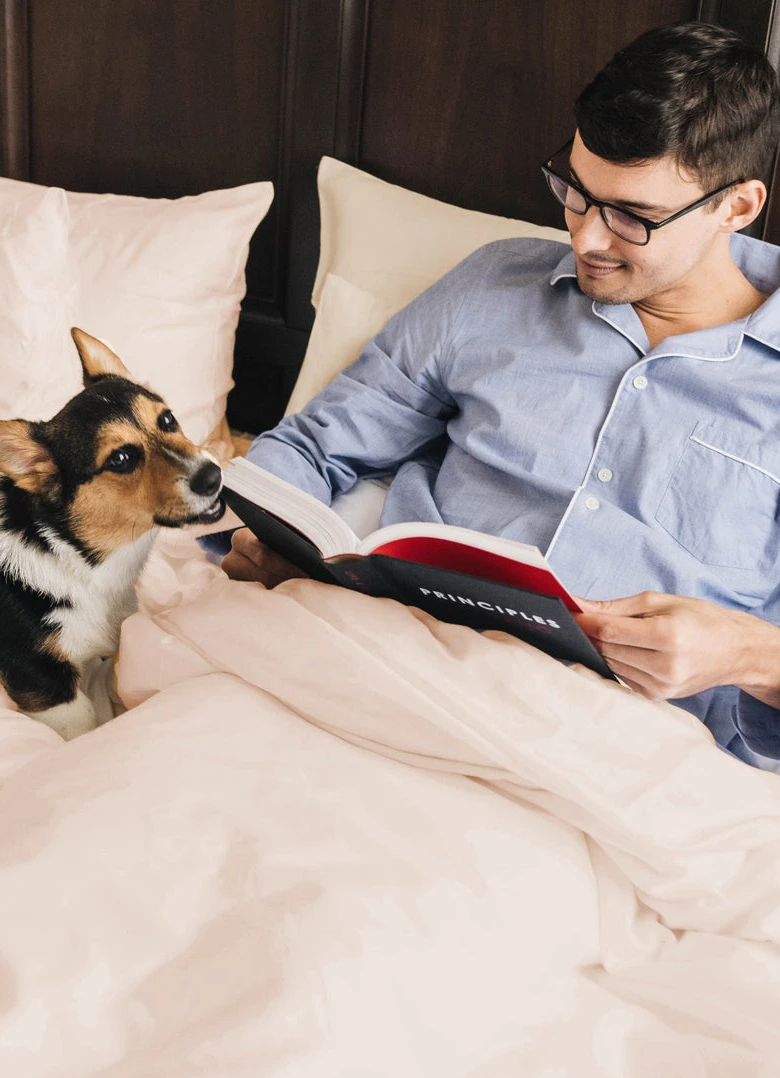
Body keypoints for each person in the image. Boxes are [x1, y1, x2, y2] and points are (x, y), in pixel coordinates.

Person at [221, 21, 780, 768]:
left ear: (737, 207)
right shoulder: (494, 285)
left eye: (632, 218)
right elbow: (314, 447)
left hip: (626, 755)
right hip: (389, 674)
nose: (585, 238)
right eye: (575, 192)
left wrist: (751, 655)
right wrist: (271, 537)